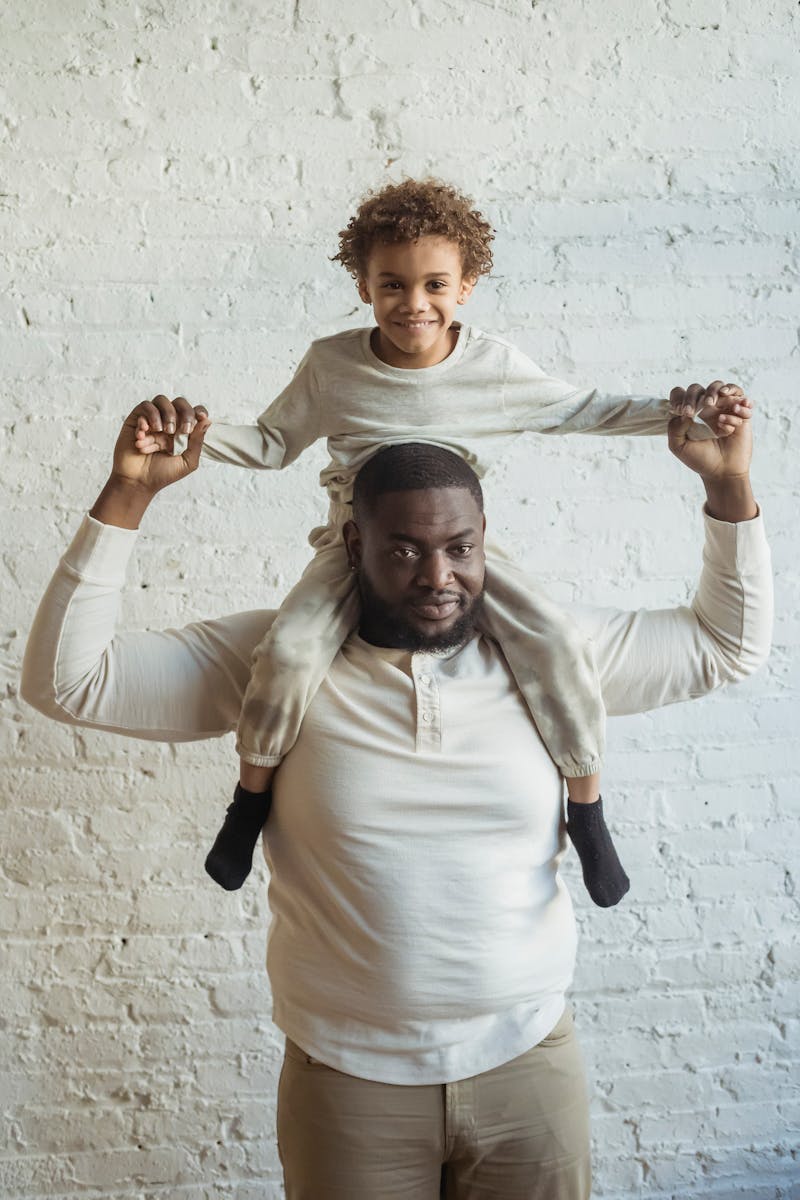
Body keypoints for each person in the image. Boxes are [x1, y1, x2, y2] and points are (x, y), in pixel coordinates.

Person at [21, 391, 771, 1199]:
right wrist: (129, 494)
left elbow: (726, 647)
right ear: (354, 542)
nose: (439, 577)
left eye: (460, 547)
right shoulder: (278, 660)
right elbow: (69, 684)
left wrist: (728, 487)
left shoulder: (556, 655)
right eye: (406, 551)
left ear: (486, 541)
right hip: (349, 1082)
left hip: (528, 1065)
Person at [133, 177, 750, 906]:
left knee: (553, 639)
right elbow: (272, 442)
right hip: (355, 547)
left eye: (434, 284)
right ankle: (249, 803)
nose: (413, 303)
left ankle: (587, 811)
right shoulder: (333, 365)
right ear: (363, 286)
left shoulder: (492, 367)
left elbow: (583, 408)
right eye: (392, 284)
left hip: (460, 551)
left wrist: (687, 413)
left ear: (468, 285)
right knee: (291, 648)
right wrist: (193, 437)